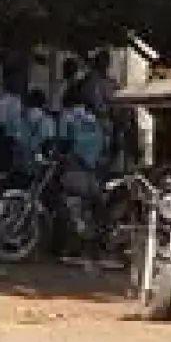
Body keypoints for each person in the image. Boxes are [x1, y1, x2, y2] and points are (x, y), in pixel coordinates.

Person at [56, 84, 108, 267]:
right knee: (90, 210)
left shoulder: (67, 118)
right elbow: (104, 149)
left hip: (72, 173)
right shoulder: (95, 122)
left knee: (66, 206)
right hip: (92, 176)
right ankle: (93, 247)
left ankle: (70, 247)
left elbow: (61, 144)